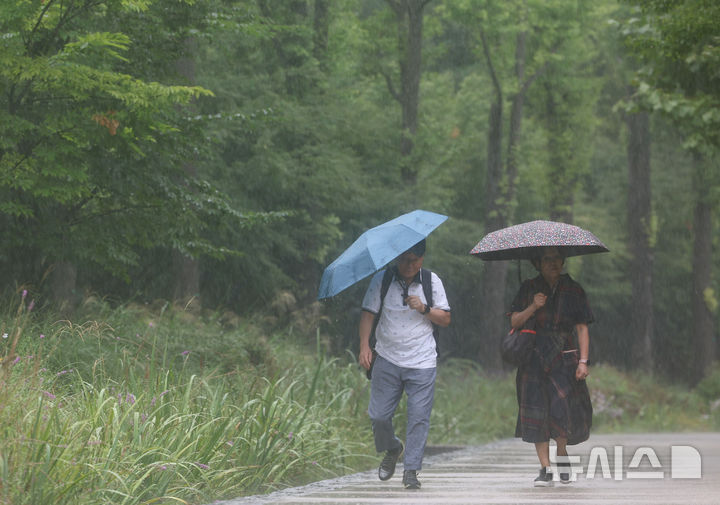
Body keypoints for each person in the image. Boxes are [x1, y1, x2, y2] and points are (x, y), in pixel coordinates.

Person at [358, 239, 451, 489]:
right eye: (404, 259)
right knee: (378, 416)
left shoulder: (432, 282)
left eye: (414, 260)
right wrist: (364, 346)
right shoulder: (382, 280)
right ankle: (393, 447)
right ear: (396, 258)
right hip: (387, 357)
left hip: (422, 361)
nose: (409, 265)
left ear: (422, 259)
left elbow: (445, 318)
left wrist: (424, 308)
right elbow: (368, 314)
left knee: (418, 417)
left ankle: (411, 471)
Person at [509, 246, 593, 487]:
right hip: (532, 357)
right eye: (547, 259)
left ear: (563, 261)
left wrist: (583, 361)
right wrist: (533, 307)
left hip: (564, 358)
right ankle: (545, 468)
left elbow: (582, 327)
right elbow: (514, 321)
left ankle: (562, 454)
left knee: (562, 410)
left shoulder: (574, 289)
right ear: (537, 263)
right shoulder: (528, 287)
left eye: (557, 258)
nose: (553, 263)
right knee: (536, 413)